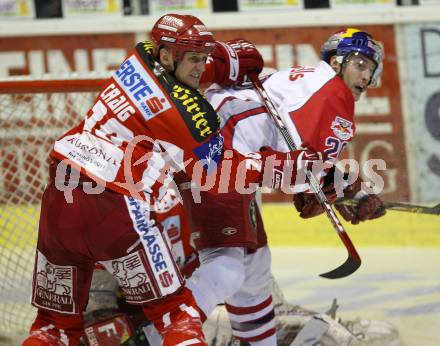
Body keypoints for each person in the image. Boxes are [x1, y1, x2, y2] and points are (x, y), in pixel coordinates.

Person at [23, 13, 323, 345]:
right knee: (177, 318)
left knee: (53, 327)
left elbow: (189, 68)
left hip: (59, 201)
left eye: (203, 58)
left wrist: (226, 62)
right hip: (111, 206)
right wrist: (287, 166)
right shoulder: (187, 114)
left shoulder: (138, 58)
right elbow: (221, 172)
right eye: (194, 59)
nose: (200, 66)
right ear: (167, 55)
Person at [175, 28, 387, 345]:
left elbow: (304, 166)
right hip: (219, 158)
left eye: (370, 69)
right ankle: (167, 328)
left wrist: (348, 190)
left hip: (209, 152)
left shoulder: (304, 79)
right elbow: (306, 175)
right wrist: (331, 190)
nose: (365, 77)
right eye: (360, 64)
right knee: (230, 266)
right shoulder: (334, 93)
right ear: (337, 61)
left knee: (254, 269)